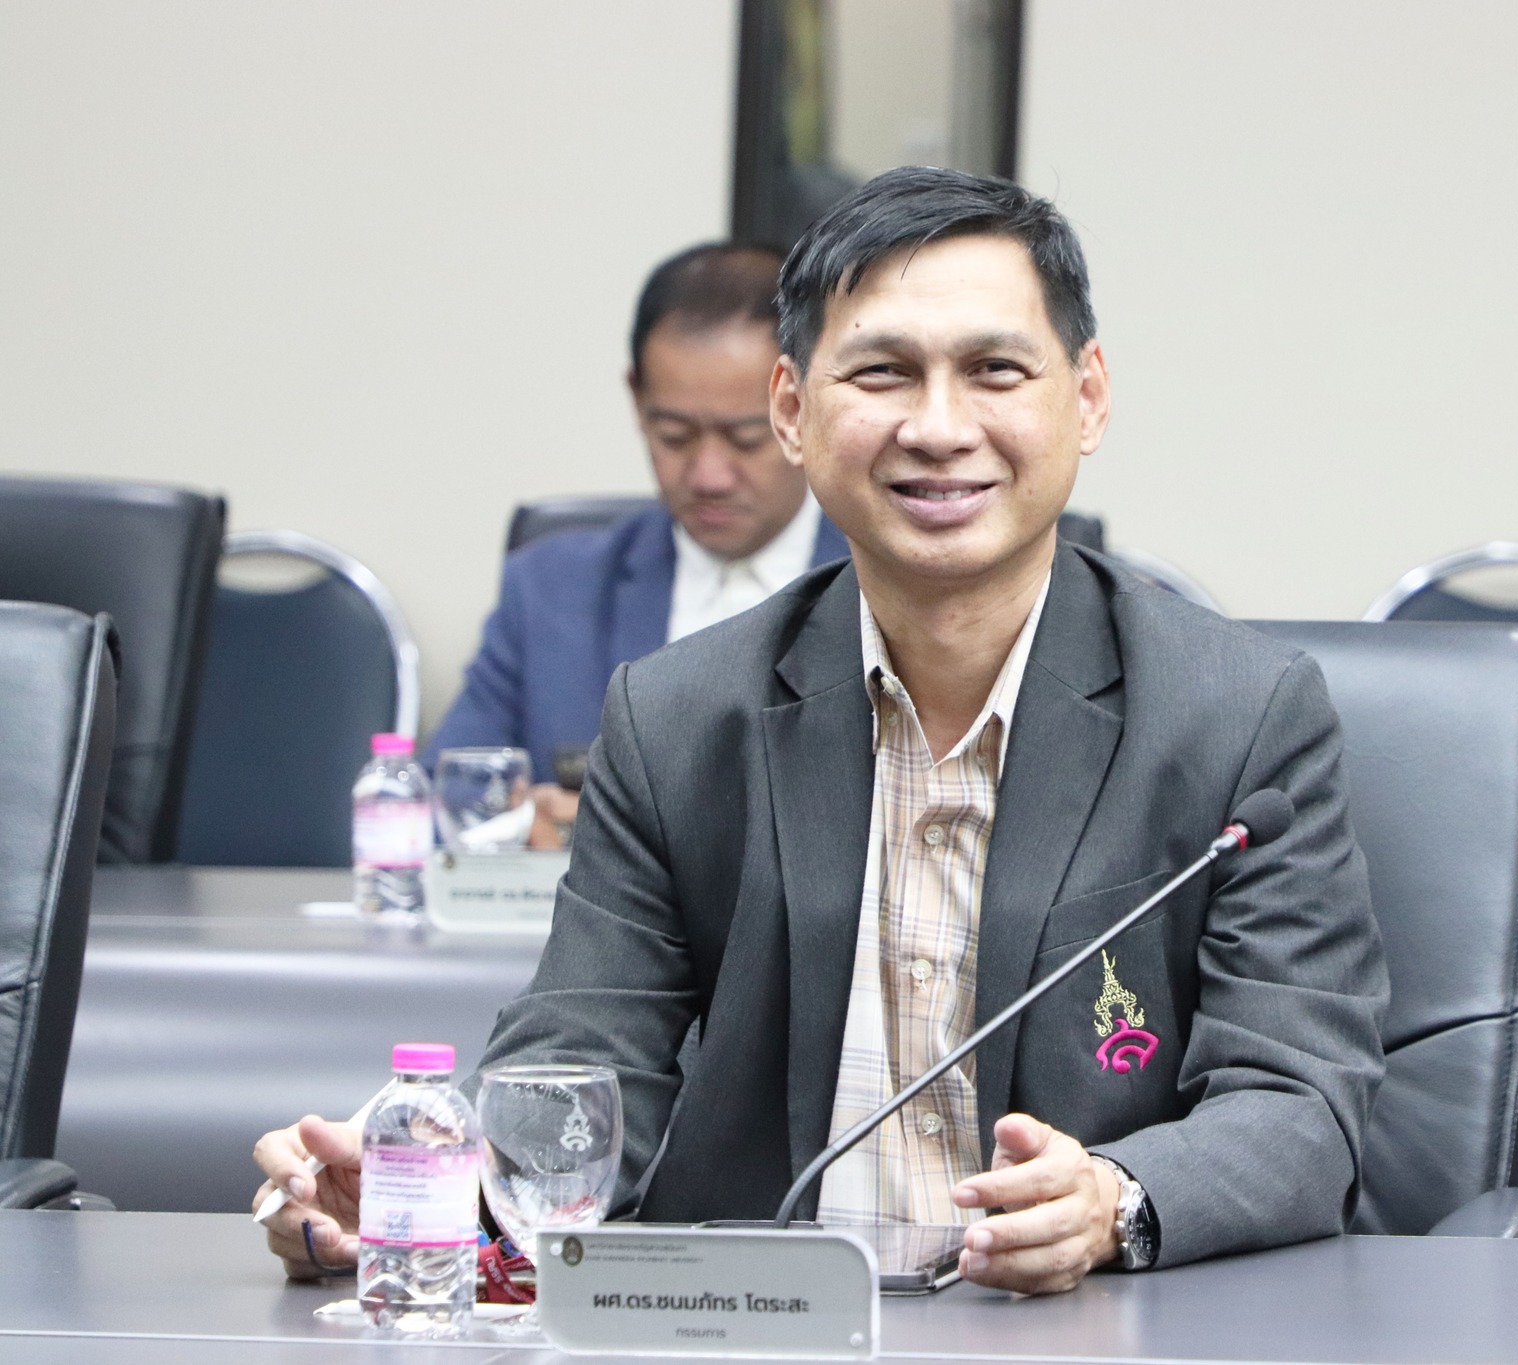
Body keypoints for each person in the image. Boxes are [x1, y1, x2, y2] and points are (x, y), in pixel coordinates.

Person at [255, 168, 1389, 1295]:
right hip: (759, 1323)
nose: (938, 428)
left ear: (1086, 397)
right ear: (793, 411)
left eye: (994, 371)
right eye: (882, 373)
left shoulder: (1237, 716)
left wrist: (1112, 1200)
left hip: (1082, 1326)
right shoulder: (675, 718)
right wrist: (434, 1191)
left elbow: (1300, 1102)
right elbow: (583, 1060)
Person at [423, 243, 851, 837]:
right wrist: (520, 827)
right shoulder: (552, 589)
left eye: (747, 438)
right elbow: (439, 803)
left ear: (804, 405)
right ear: (637, 399)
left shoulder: (889, 581)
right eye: (673, 435)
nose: (708, 476)